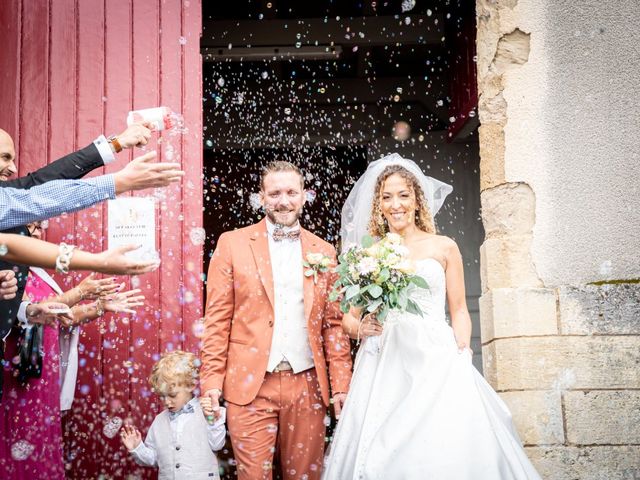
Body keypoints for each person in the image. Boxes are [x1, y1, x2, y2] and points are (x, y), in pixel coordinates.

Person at [322, 154, 541, 480]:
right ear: (378, 204)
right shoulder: (370, 255)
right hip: (387, 358)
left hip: (436, 355)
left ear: (417, 201)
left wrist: (463, 349)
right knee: (381, 451)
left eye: (403, 195)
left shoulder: (444, 247)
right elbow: (349, 321)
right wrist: (362, 327)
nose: (395, 204)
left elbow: (459, 310)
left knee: (445, 440)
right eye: (386, 197)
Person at [200, 161, 352, 480]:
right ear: (261, 198)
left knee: (305, 475)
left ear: (304, 196)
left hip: (307, 384)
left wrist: (341, 386)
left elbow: (333, 326)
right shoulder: (232, 243)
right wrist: (211, 381)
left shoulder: (322, 251)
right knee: (253, 476)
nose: (283, 201)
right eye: (275, 193)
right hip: (250, 384)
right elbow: (216, 319)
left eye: (291, 192)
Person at [0, 221, 146, 479]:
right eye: (28, 228)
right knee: (18, 438)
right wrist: (81, 291)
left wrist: (101, 306)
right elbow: (32, 311)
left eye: (38, 228)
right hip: (19, 372)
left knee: (41, 438)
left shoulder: (36, 271)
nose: (35, 233)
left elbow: (60, 317)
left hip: (43, 372)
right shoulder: (9, 270)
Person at [120, 350, 226, 479]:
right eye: (162, 396)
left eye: (172, 395)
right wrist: (137, 448)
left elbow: (217, 444)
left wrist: (211, 419)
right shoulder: (159, 421)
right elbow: (154, 459)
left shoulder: (208, 410)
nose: (167, 402)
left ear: (191, 385)